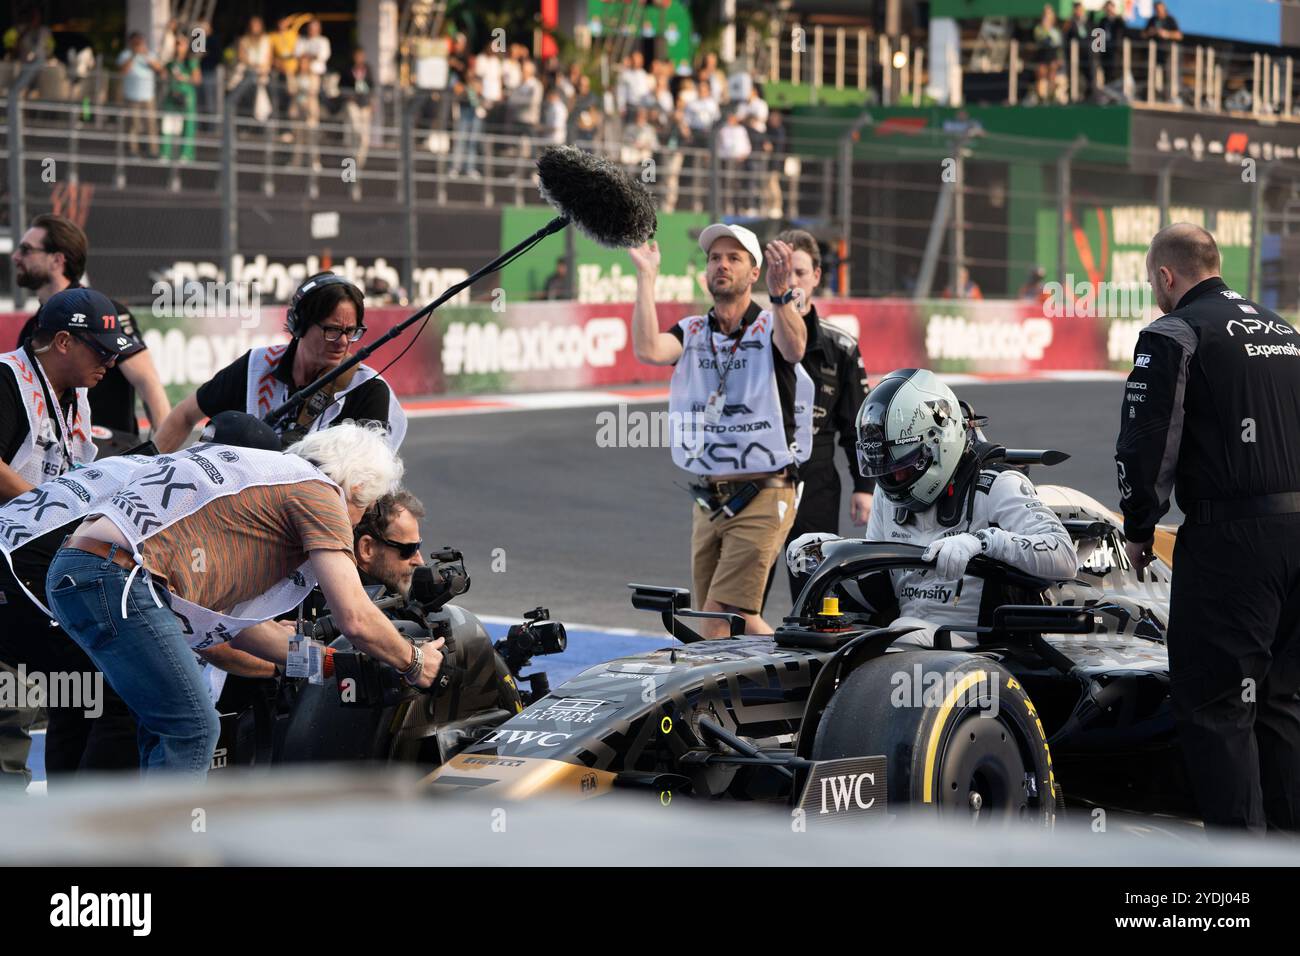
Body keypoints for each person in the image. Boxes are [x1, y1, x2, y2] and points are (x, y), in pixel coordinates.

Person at [44, 422, 443, 777]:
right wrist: (415, 661)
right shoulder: (321, 492)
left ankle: (142, 839)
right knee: (194, 726)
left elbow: (232, 628)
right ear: (357, 487)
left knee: (162, 723)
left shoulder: (270, 479)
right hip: (117, 576)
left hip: (80, 567)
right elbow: (355, 617)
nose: (358, 520)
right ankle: (164, 846)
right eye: (366, 507)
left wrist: (324, 662)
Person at [1115, 222, 1300, 834]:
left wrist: (1139, 526)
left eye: (1151, 282)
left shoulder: (1174, 332)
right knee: (1282, 705)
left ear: (1167, 277)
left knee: (1219, 708)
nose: (1154, 294)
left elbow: (1147, 443)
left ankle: (1238, 875)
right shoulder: (1284, 332)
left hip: (1233, 545)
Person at [0, 411, 282, 790]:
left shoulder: (147, 463)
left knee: (80, 698)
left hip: (18, 567)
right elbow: (199, 637)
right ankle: (103, 835)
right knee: (133, 694)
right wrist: (290, 662)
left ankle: (68, 828)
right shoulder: (198, 498)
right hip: (25, 579)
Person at [789, 368, 1077, 647]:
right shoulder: (884, 494)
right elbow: (879, 594)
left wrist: (983, 542)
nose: (895, 479)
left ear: (939, 444)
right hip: (907, 641)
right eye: (887, 469)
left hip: (979, 650)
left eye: (904, 465)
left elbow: (1064, 557)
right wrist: (829, 552)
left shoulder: (998, 484)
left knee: (897, 638)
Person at [629, 224, 812, 638]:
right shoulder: (693, 331)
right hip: (710, 498)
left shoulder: (770, 324)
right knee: (734, 621)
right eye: (715, 258)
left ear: (753, 273)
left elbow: (795, 348)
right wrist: (646, 277)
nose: (722, 265)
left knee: (712, 621)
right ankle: (808, 679)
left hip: (766, 492)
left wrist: (781, 295)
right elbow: (649, 350)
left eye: (734, 258)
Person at [0, 288, 144, 786]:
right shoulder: (6, 379)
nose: (112, 361)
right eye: (102, 350)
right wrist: (53, 514)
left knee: (79, 690)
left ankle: (67, 827)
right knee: (21, 706)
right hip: (12, 563)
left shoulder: (76, 395)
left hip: (39, 562)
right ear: (62, 341)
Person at [154, 272, 407, 452]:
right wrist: (143, 470)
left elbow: (365, 483)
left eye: (351, 331)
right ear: (299, 324)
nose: (343, 342)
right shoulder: (255, 366)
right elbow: (185, 414)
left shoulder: (367, 388)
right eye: (331, 330)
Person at [761, 230, 872, 608]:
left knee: (816, 593)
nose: (791, 281)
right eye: (782, 271)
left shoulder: (841, 347)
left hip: (818, 482)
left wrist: (864, 487)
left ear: (816, 276)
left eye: (799, 272)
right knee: (744, 596)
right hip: (759, 481)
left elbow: (857, 424)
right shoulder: (752, 338)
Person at [12, 214, 172, 442]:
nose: (16, 256)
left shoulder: (105, 314)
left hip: (110, 456)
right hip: (55, 458)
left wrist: (162, 456)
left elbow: (147, 382)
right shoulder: (33, 327)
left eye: (26, 250)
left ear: (57, 260)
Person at [117, 32, 162, 158]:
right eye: (135, 42)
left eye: (140, 42)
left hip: (148, 96)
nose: (138, 44)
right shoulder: (125, 55)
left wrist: (146, 55)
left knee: (151, 125)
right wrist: (133, 55)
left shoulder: (150, 54)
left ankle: (153, 151)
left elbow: (159, 69)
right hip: (132, 96)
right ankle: (132, 151)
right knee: (132, 125)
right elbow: (123, 71)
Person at [161, 29, 200, 163]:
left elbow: (197, 79)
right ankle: (166, 153)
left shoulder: (191, 61)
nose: (178, 47)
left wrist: (184, 78)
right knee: (168, 125)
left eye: (181, 44)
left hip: (186, 97)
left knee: (188, 126)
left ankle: (186, 154)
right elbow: (163, 73)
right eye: (177, 44)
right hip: (172, 96)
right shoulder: (171, 62)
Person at [1032, 4, 1064, 105]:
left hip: (1053, 55)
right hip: (1042, 55)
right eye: (1046, 14)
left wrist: (1060, 58)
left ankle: (1051, 97)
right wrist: (1046, 29)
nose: (1048, 17)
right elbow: (1042, 39)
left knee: (1052, 77)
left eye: (1049, 14)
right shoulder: (1038, 28)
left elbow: (1059, 45)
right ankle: (1040, 98)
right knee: (1041, 76)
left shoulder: (1056, 30)